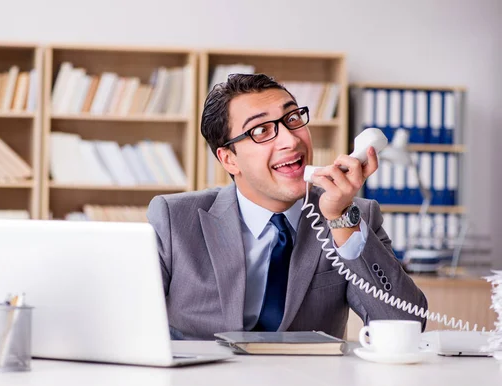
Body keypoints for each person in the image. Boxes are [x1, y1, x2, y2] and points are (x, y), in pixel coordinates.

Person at [147, 73, 427, 340]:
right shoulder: (173, 220)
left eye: (292, 118)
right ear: (229, 159)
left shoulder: (353, 216)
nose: (291, 140)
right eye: (261, 130)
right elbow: (124, 324)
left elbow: (406, 325)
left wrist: (341, 219)